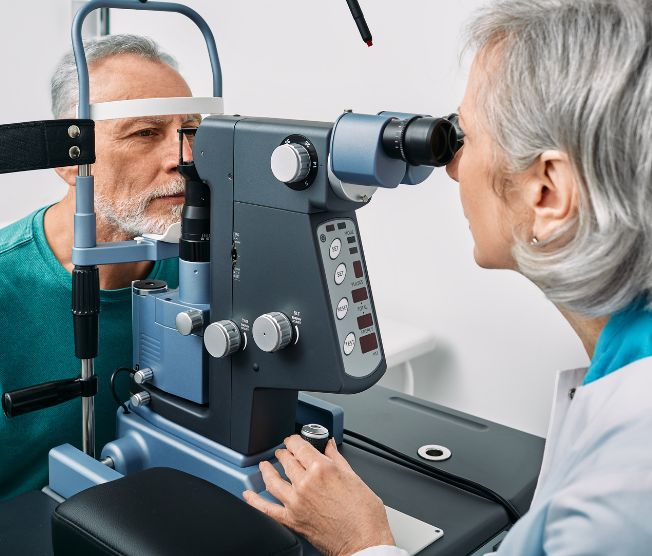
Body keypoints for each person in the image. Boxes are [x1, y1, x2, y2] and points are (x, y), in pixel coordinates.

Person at [243, 0, 652, 553]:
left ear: (547, 192)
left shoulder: (623, 494)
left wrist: (364, 542)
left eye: (468, 136)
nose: (453, 166)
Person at [0, 34, 200, 500]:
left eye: (190, 130)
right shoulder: (8, 286)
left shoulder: (202, 270)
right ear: (69, 162)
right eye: (145, 133)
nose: (184, 159)